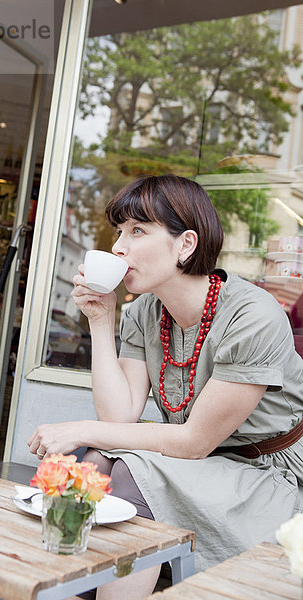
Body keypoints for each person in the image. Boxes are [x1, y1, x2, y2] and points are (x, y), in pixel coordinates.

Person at [28, 174, 303, 600]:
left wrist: (80, 428)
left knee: (132, 470)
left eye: (138, 231)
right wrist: (101, 321)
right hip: (203, 463)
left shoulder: (254, 316)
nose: (119, 247)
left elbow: (193, 441)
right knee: (97, 462)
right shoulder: (143, 314)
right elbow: (119, 417)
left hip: (270, 473)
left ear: (186, 245)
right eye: (120, 232)